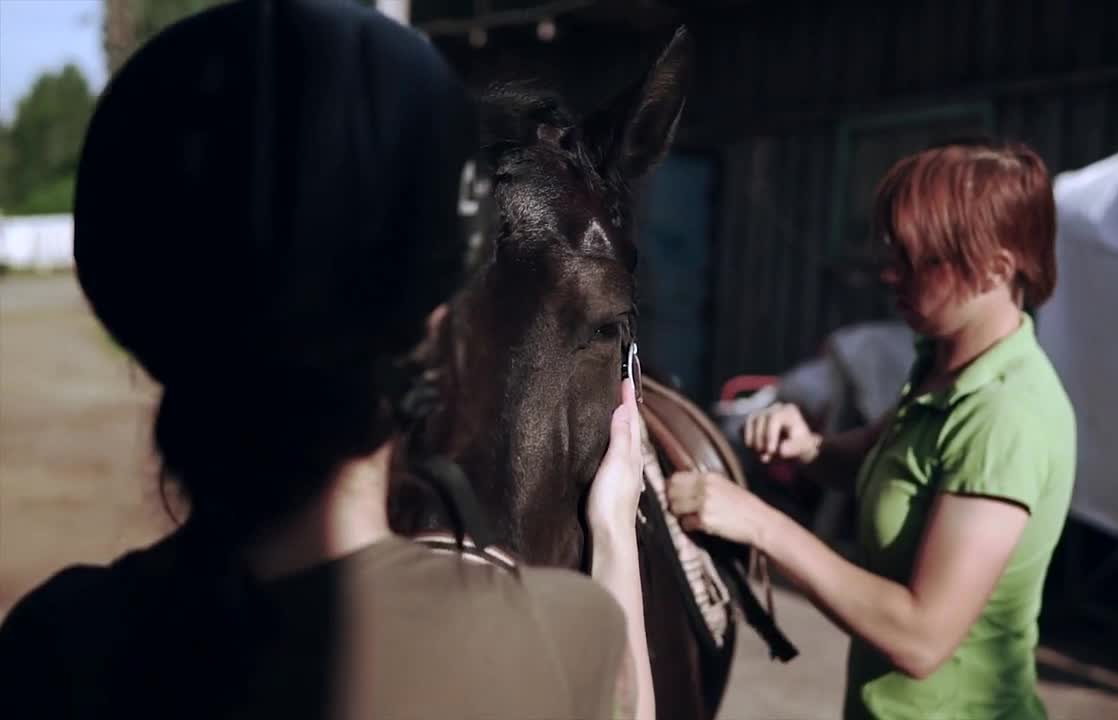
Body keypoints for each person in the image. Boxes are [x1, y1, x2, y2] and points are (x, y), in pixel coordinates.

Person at [0, 2, 652, 719]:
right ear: (437, 326)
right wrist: (616, 529)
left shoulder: (49, 643)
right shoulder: (561, 635)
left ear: (129, 312)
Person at [670, 140, 1076, 720]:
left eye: (921, 259)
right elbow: (884, 464)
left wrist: (760, 524)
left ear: (997, 269)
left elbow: (921, 638)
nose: (892, 274)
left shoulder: (1004, 416)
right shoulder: (945, 365)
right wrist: (811, 449)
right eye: (895, 254)